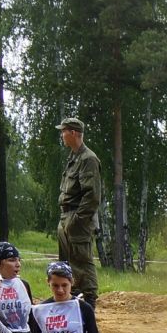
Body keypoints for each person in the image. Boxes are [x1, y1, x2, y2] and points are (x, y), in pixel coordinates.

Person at [55, 118, 102, 306]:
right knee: (67, 262)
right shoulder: (73, 157)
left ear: (73, 133)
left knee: (82, 261)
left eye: (64, 131)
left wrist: (77, 221)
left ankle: (89, 302)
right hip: (66, 215)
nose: (62, 135)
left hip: (77, 217)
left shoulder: (88, 159)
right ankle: (70, 298)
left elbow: (92, 196)